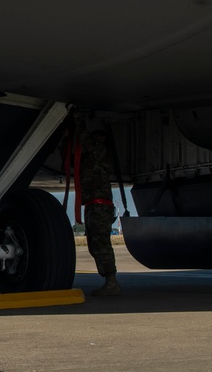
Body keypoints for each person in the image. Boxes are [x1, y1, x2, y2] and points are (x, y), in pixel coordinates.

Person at [79, 115, 121, 296]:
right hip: (92, 205)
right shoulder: (91, 157)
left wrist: (78, 120)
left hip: (100, 206)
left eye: (100, 137)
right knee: (94, 245)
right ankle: (108, 280)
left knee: (102, 244)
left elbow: (85, 140)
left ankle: (111, 282)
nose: (98, 140)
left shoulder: (102, 152)